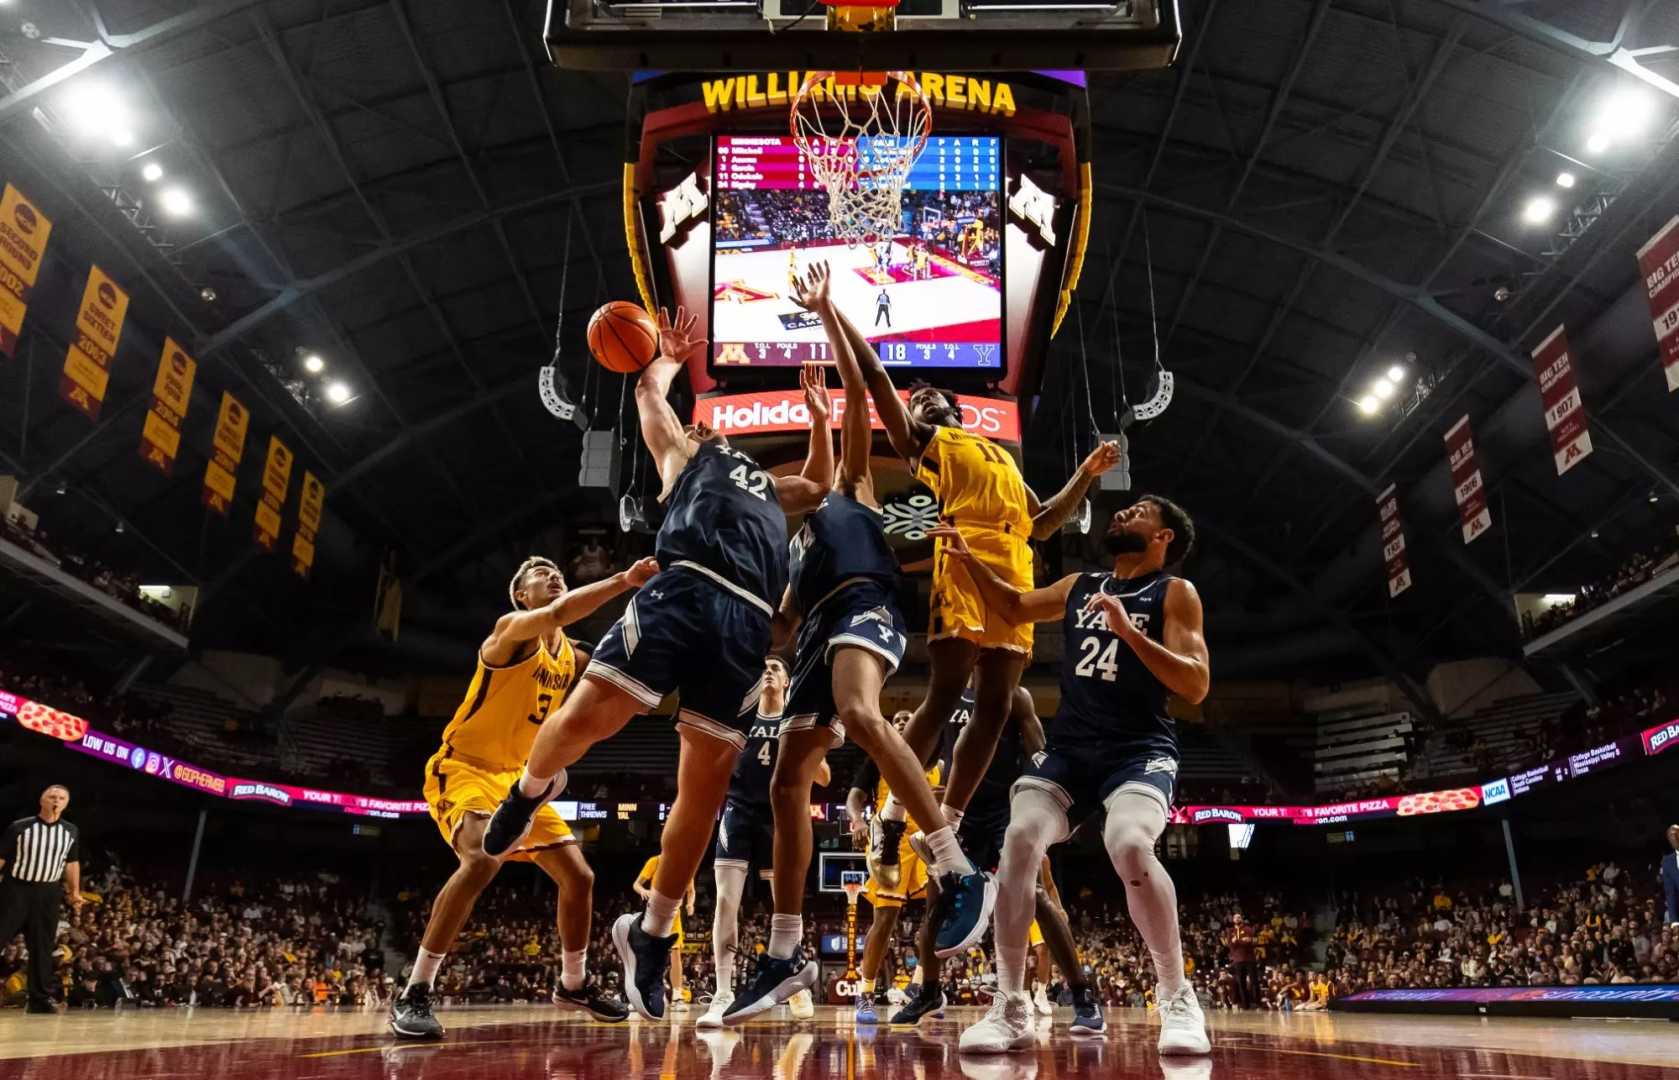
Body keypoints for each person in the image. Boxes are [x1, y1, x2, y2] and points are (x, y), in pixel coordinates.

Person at [482, 309, 832, 1022]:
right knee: (586, 716)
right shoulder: (684, 456)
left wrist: (823, 419)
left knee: (703, 791)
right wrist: (666, 360)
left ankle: (652, 933)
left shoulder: (768, 486)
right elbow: (647, 398)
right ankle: (526, 793)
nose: (704, 426)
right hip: (683, 588)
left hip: (745, 624)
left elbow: (820, 486)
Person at [720, 264, 994, 1026]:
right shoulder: (789, 552)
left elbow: (851, 394)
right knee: (785, 782)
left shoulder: (850, 488)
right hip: (814, 632)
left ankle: (955, 866)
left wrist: (827, 310)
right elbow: (775, 626)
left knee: (863, 716)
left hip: (866, 608)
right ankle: (783, 956)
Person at [831, 296, 1118, 886]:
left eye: (932, 398)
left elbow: (1042, 523)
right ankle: (890, 813)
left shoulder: (1002, 458)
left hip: (1015, 567)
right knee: (943, 695)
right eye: (917, 403)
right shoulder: (927, 443)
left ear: (957, 408)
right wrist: (842, 319)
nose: (924, 400)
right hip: (963, 555)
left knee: (993, 709)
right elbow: (879, 378)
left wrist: (1085, 476)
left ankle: (949, 824)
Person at [933, 496, 1212, 1056]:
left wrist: (1129, 633)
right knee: (1018, 839)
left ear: (1164, 538)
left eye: (1138, 513)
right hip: (1071, 751)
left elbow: (1196, 683)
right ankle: (1010, 1005)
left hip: (1138, 750)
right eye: (1124, 510)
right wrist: (966, 558)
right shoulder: (1081, 583)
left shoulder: (1174, 593)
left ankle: (1177, 996)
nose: (1123, 515)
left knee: (1129, 843)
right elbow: (1013, 604)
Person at [390, 555, 655, 1038]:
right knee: (481, 861)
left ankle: (573, 984)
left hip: (519, 781)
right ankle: (416, 991)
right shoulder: (511, 631)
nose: (553, 577)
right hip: (465, 767)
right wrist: (623, 580)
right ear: (520, 596)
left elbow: (614, 677)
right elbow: (556, 616)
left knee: (579, 877)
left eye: (557, 573)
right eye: (540, 575)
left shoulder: (572, 656)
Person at [891, 688, 1102, 1036]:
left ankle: (1082, 994)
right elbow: (923, 760)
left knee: (1037, 899)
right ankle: (929, 991)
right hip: (960, 816)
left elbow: (1040, 760)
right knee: (936, 903)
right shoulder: (948, 691)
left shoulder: (1015, 697)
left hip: (1004, 813)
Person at [699, 657, 827, 1027]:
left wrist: (802, 748)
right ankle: (723, 992)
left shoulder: (796, 720)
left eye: (776, 668)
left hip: (778, 816)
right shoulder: (742, 717)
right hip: (738, 812)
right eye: (764, 667)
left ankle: (793, 980)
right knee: (726, 900)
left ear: (788, 682)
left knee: (782, 902)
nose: (768, 671)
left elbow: (823, 775)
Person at [843, 710, 951, 1024]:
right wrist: (857, 819)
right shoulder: (879, 758)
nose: (903, 722)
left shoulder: (938, 766)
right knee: (886, 918)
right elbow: (855, 796)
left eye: (909, 718)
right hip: (893, 842)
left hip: (928, 840)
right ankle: (865, 995)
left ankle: (924, 986)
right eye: (898, 720)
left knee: (938, 915)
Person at [0, 785, 82, 1015]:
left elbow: (72, 863)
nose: (56, 800)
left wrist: (74, 892)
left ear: (66, 803)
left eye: (61, 797)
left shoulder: (70, 831)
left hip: (48, 894)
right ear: (42, 800)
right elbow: (2, 857)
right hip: (15, 890)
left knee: (43, 947)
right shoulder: (20, 827)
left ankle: (39, 999)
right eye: (52, 796)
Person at [633, 852, 696, 1012]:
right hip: (655, 912)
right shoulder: (655, 861)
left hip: (674, 916)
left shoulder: (686, 865)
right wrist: (643, 891)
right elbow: (637, 884)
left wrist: (690, 904)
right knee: (649, 955)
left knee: (676, 955)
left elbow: (691, 890)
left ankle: (677, 996)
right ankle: (643, 994)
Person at [1225, 912, 1258, 1009]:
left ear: (1241, 919)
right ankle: (1245, 1004)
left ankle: (1256, 1003)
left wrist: (1237, 941)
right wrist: (1241, 941)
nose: (1237, 919)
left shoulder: (1248, 929)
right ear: (1233, 920)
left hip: (1249, 958)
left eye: (1239, 917)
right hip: (1238, 960)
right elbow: (1230, 945)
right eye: (1235, 918)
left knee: (1254, 981)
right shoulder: (1230, 931)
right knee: (1241, 983)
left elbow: (1250, 942)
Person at [1661, 825, 1679, 925]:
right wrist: (1675, 921)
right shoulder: (1667, 862)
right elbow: (1670, 892)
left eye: (1676, 834)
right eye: (1671, 836)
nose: (1674, 838)